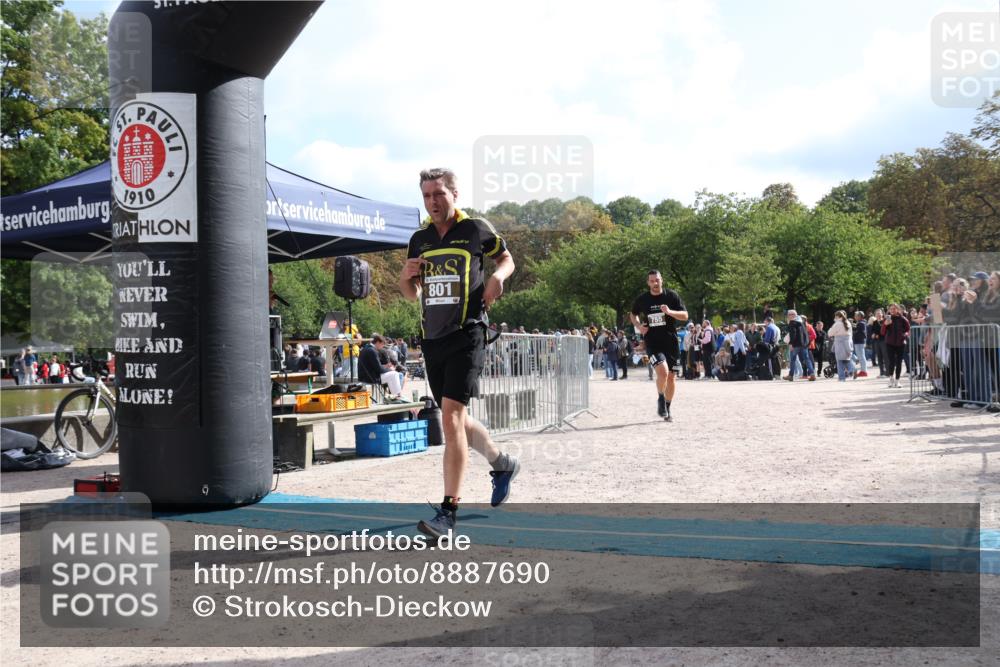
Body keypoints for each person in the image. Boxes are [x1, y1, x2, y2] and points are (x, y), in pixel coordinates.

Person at [399, 167, 519, 540]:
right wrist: (404, 277)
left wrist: (498, 278)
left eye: (439, 194)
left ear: (454, 194)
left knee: (450, 417)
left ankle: (447, 513)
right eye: (426, 196)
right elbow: (412, 294)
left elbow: (507, 259)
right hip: (432, 339)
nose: (433, 202)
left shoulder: (476, 229)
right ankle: (502, 463)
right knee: (459, 420)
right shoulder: (419, 239)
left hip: (468, 332)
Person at [630, 269, 689, 420]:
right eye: (652, 281)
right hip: (653, 342)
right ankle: (661, 398)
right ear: (648, 282)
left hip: (671, 342)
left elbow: (685, 316)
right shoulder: (643, 299)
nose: (655, 283)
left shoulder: (671, 296)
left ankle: (667, 408)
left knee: (671, 377)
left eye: (657, 280)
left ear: (661, 280)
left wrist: (670, 312)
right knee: (662, 372)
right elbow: (633, 313)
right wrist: (639, 326)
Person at [358, 334, 405, 398]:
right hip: (370, 378)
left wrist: (385, 367)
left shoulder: (365, 349)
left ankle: (395, 395)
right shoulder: (373, 351)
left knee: (392, 374)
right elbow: (379, 369)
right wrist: (390, 369)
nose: (383, 346)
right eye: (382, 344)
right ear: (377, 342)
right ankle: (397, 396)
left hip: (364, 376)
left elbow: (375, 366)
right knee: (394, 374)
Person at [881, 304, 910, 388]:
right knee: (891, 362)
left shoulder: (903, 319)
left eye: (894, 309)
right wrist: (885, 324)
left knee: (899, 362)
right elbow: (882, 332)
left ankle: (897, 381)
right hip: (889, 343)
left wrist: (905, 335)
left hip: (900, 343)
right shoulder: (887, 319)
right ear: (889, 310)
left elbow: (908, 330)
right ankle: (891, 379)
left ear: (898, 310)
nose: (892, 310)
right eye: (891, 309)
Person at [784, 310, 815, 381]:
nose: (788, 317)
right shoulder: (802, 322)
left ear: (792, 315)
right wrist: (807, 343)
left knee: (793, 359)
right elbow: (806, 334)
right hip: (804, 344)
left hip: (796, 344)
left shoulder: (792, 322)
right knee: (807, 359)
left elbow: (793, 334)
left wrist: (791, 343)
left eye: (788, 315)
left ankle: (791, 375)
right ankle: (812, 374)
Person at [828, 311, 854, 381]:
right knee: (847, 359)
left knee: (839, 361)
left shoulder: (837, 324)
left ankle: (842, 377)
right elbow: (851, 334)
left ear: (837, 316)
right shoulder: (848, 323)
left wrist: (830, 329)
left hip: (840, 343)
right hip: (848, 342)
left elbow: (830, 333)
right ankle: (852, 370)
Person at [852, 311, 868, 377]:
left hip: (859, 342)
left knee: (861, 357)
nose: (855, 317)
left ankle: (864, 371)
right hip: (859, 342)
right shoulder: (860, 323)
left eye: (856, 315)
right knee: (861, 356)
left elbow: (861, 333)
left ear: (859, 316)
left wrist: (854, 330)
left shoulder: (861, 323)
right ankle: (863, 370)